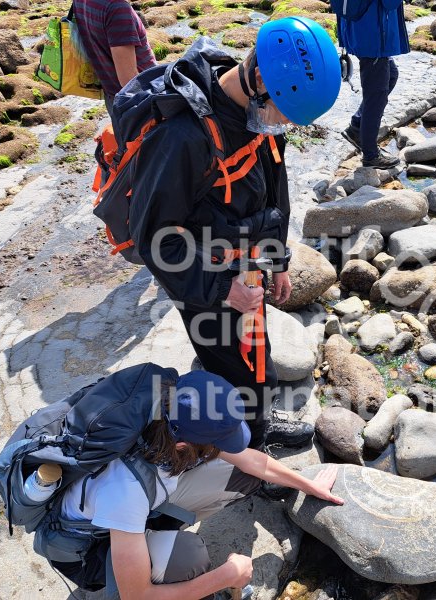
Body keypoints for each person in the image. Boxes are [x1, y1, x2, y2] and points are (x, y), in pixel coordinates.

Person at [126, 18, 342, 452]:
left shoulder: (257, 116)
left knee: (259, 362)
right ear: (260, 77)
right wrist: (222, 289)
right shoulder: (182, 138)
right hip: (200, 277)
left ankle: (252, 429)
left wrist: (277, 260)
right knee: (234, 371)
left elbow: (274, 193)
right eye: (286, 112)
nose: (287, 126)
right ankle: (245, 454)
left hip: (244, 266)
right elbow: (153, 239)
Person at [54, 369, 344, 598]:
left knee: (245, 474)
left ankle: (154, 537)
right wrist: (225, 576)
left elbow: (251, 461)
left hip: (140, 494)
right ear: (181, 446)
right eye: (215, 442)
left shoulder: (171, 409)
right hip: (90, 547)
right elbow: (138, 595)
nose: (225, 447)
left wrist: (306, 484)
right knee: (189, 557)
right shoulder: (124, 491)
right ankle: (156, 554)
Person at [337, 0, 409, 169]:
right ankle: (370, 155)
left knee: (391, 75)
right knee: (376, 96)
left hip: (360, 29)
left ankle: (357, 128)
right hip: (374, 35)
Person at [73, 0, 156, 118]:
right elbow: (128, 80)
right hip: (138, 103)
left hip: (113, 97)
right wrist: (160, 107)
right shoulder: (117, 8)